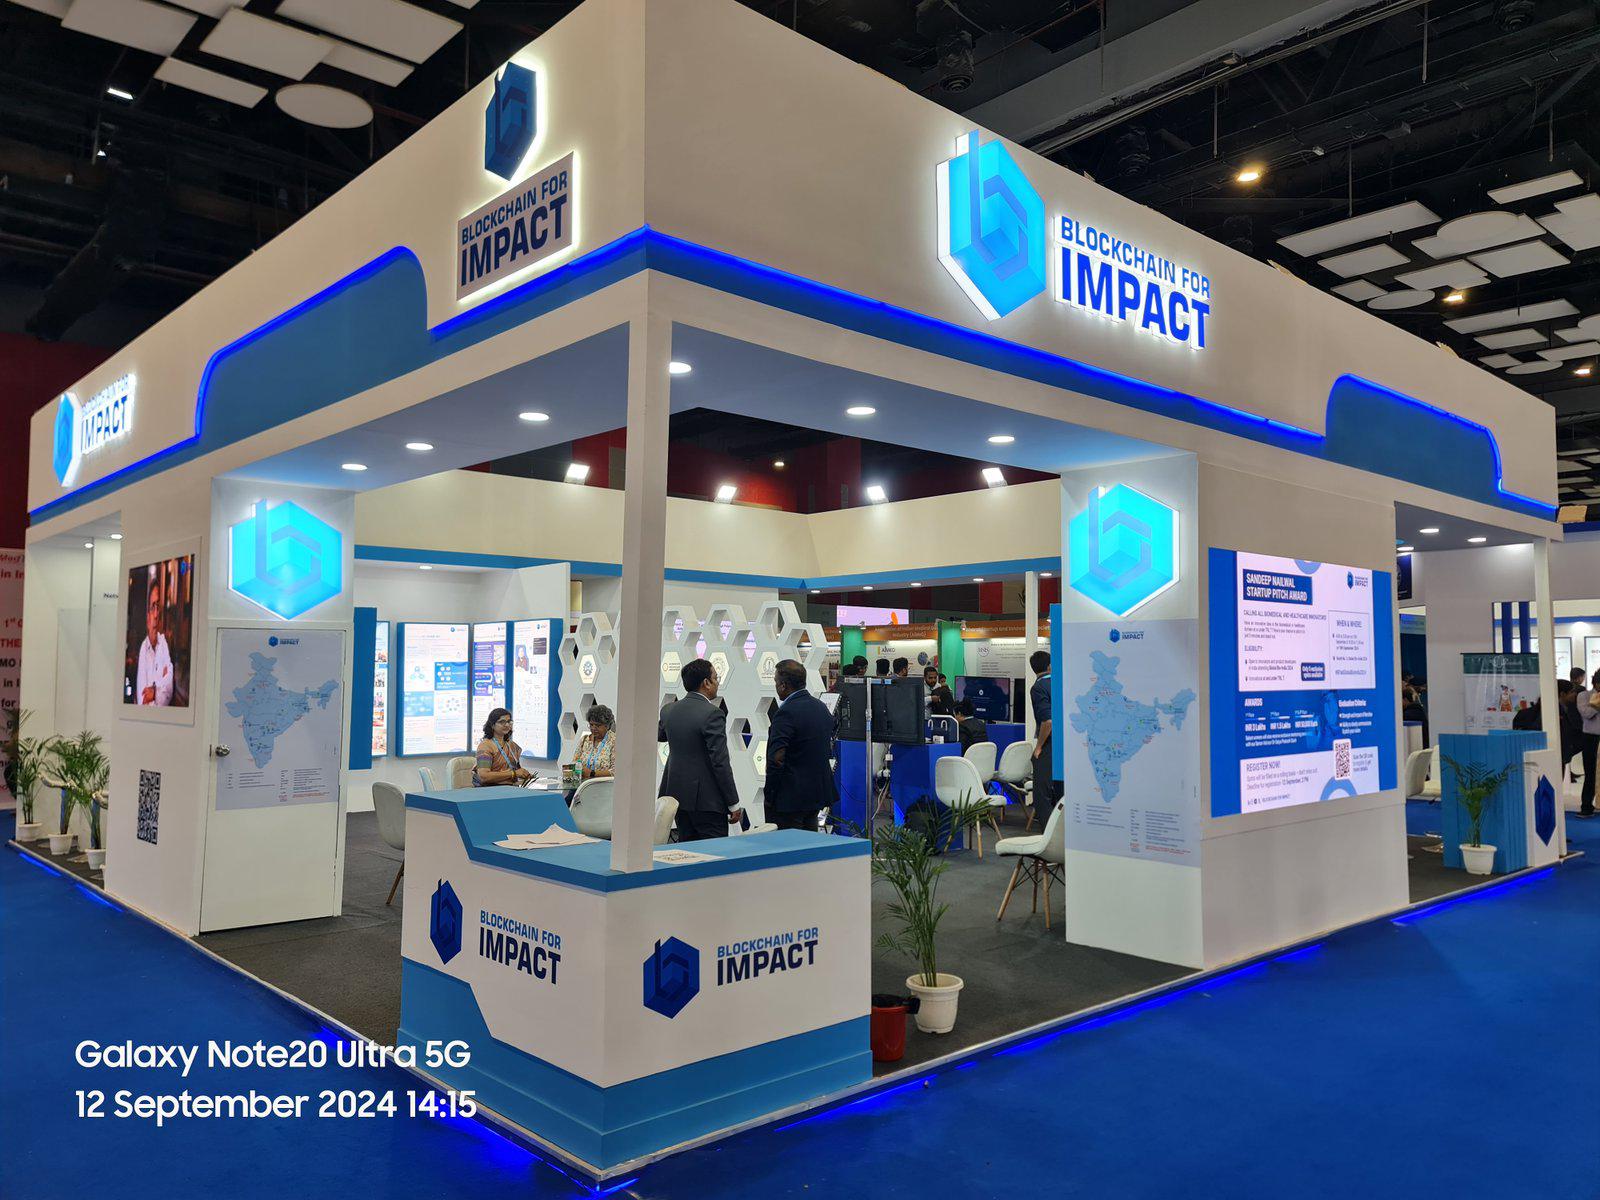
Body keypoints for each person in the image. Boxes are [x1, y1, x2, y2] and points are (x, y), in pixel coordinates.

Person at [659, 658, 742, 840]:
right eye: (716, 678)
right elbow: (719, 762)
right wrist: (733, 803)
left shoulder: (668, 710)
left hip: (676, 796)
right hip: (708, 801)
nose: (717, 682)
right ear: (706, 683)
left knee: (686, 850)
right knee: (713, 853)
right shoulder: (713, 714)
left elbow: (660, 735)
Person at [765, 659, 837, 832]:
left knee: (787, 845)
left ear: (783, 685)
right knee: (808, 843)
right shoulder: (820, 707)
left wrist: (770, 793)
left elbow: (777, 758)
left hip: (790, 798)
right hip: (816, 794)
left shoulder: (785, 712)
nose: (776, 686)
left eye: (776, 681)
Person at [1029, 650, 1061, 829]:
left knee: (1042, 795)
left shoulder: (1038, 687)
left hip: (1049, 745)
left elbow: (1047, 722)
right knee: (1060, 793)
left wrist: (1039, 747)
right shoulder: (1060, 683)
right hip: (1064, 745)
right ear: (1049, 666)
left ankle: (1048, 838)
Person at [135, 581, 174, 707]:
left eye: (158, 607)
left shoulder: (164, 644)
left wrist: (154, 692)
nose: (156, 614)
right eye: (153, 607)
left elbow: (169, 692)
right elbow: (143, 700)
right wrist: (160, 687)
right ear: (147, 615)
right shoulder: (143, 649)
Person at [475, 708, 531, 786]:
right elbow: (484, 776)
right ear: (492, 725)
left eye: (509, 721)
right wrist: (513, 773)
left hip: (510, 787)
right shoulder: (485, 746)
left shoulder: (511, 745)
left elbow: (515, 770)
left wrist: (523, 774)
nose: (507, 725)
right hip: (491, 789)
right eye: (502, 722)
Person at [568, 704, 616, 782]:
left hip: (604, 786)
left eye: (597, 725)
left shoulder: (614, 741)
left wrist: (592, 773)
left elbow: (616, 771)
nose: (593, 728)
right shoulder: (584, 740)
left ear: (607, 726)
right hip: (582, 785)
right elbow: (574, 762)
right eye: (591, 725)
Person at [1579, 675, 1600, 818]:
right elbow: (1586, 714)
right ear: (1596, 683)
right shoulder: (1584, 696)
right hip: (1590, 738)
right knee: (1590, 773)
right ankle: (1586, 806)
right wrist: (1597, 704)